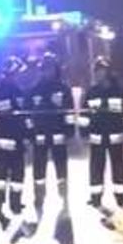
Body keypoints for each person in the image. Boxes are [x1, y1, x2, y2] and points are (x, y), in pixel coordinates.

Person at [78, 56, 123, 210]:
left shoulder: (120, 91)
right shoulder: (91, 92)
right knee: (96, 167)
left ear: (109, 72)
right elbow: (84, 115)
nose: (99, 74)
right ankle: (96, 197)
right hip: (97, 137)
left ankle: (121, 197)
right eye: (97, 71)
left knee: (118, 167)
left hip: (115, 136)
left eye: (102, 71)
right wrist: (83, 132)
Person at [27, 51, 73, 213]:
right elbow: (28, 115)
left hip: (59, 136)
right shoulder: (33, 91)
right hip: (40, 137)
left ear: (56, 69)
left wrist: (69, 131)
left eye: (51, 68)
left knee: (61, 168)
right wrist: (30, 134)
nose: (48, 71)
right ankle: (39, 196)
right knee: (39, 169)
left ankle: (64, 195)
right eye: (45, 68)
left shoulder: (64, 89)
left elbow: (68, 113)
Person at [0, 55, 29, 222]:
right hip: (7, 140)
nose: (20, 76)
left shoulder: (19, 92)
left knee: (15, 175)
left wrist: (28, 135)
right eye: (17, 73)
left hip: (15, 140)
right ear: (11, 74)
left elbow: (26, 117)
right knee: (4, 176)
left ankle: (13, 203)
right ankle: (2, 204)